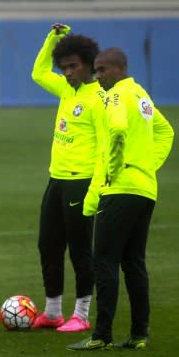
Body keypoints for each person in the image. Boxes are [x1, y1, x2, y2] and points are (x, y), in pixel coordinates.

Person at [67, 48, 173, 351]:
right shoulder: (142, 96)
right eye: (97, 71)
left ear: (118, 68)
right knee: (133, 262)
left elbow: (116, 129)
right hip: (144, 188)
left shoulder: (115, 96)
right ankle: (140, 334)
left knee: (103, 259)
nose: (98, 77)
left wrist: (113, 170)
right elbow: (166, 132)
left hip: (120, 188)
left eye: (102, 70)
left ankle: (101, 334)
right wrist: (146, 165)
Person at [30, 24, 105, 333]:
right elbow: (38, 73)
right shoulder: (65, 89)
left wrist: (96, 190)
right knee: (48, 245)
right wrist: (52, 39)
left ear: (89, 63)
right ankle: (52, 311)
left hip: (82, 181)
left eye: (74, 66)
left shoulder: (100, 97)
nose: (69, 72)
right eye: (65, 67)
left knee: (80, 249)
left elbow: (104, 148)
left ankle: (83, 314)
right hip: (56, 179)